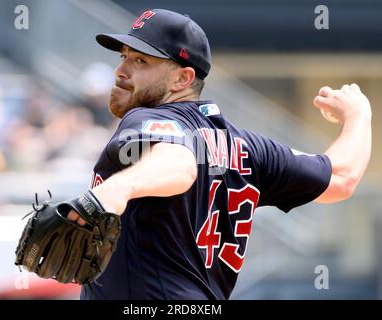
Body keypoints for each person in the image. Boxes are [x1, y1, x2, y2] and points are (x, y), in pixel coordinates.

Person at [67, 9, 372, 299]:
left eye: (140, 61)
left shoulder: (144, 118)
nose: (120, 71)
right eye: (123, 57)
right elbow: (340, 178)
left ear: (182, 79)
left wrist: (116, 189)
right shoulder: (250, 148)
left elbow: (180, 163)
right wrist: (359, 116)